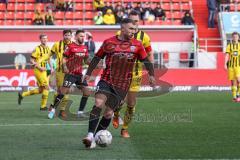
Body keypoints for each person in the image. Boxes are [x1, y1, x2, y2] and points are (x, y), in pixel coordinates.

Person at [82, 18, 155, 148]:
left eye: (135, 29)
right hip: (106, 79)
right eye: (131, 28)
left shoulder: (137, 45)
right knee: (98, 103)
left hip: (122, 85)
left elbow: (146, 61)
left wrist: (152, 75)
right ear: (122, 28)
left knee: (109, 113)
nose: (134, 31)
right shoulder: (109, 42)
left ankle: (97, 136)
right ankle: (90, 135)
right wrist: (88, 73)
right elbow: (97, 58)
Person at [112, 10, 154, 138]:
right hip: (121, 75)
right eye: (131, 21)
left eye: (136, 21)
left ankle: (124, 128)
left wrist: (151, 73)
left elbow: (149, 54)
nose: (134, 24)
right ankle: (116, 113)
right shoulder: (119, 35)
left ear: (139, 22)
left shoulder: (144, 37)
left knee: (131, 105)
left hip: (136, 75)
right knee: (119, 102)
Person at [48, 29, 90, 119]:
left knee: (86, 92)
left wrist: (93, 63)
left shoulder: (85, 48)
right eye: (81, 36)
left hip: (79, 74)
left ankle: (80, 112)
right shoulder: (70, 46)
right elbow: (64, 58)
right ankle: (53, 109)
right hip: (70, 74)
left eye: (84, 36)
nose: (83, 38)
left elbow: (86, 60)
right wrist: (65, 67)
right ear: (76, 37)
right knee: (62, 93)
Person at [18, 34, 52, 110]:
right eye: (43, 38)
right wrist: (40, 67)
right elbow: (31, 60)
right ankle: (43, 106)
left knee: (41, 90)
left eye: (46, 38)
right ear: (40, 39)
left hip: (45, 70)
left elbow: (49, 59)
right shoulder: (37, 49)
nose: (45, 40)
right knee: (46, 87)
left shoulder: (48, 49)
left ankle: (22, 94)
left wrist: (51, 68)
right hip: (38, 70)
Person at [48, 29, 73, 118]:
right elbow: (48, 56)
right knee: (59, 91)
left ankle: (62, 110)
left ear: (71, 36)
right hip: (59, 71)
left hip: (70, 72)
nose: (67, 37)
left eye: (68, 35)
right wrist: (51, 67)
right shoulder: (57, 45)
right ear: (63, 35)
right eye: (65, 35)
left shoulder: (74, 45)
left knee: (66, 92)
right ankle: (53, 105)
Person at [225, 32, 240, 102]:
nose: (235, 38)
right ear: (232, 38)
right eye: (234, 37)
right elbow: (227, 55)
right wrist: (225, 63)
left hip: (238, 66)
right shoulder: (229, 46)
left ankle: (238, 94)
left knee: (238, 79)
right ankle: (234, 97)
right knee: (233, 82)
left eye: (236, 37)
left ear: (238, 38)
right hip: (231, 66)